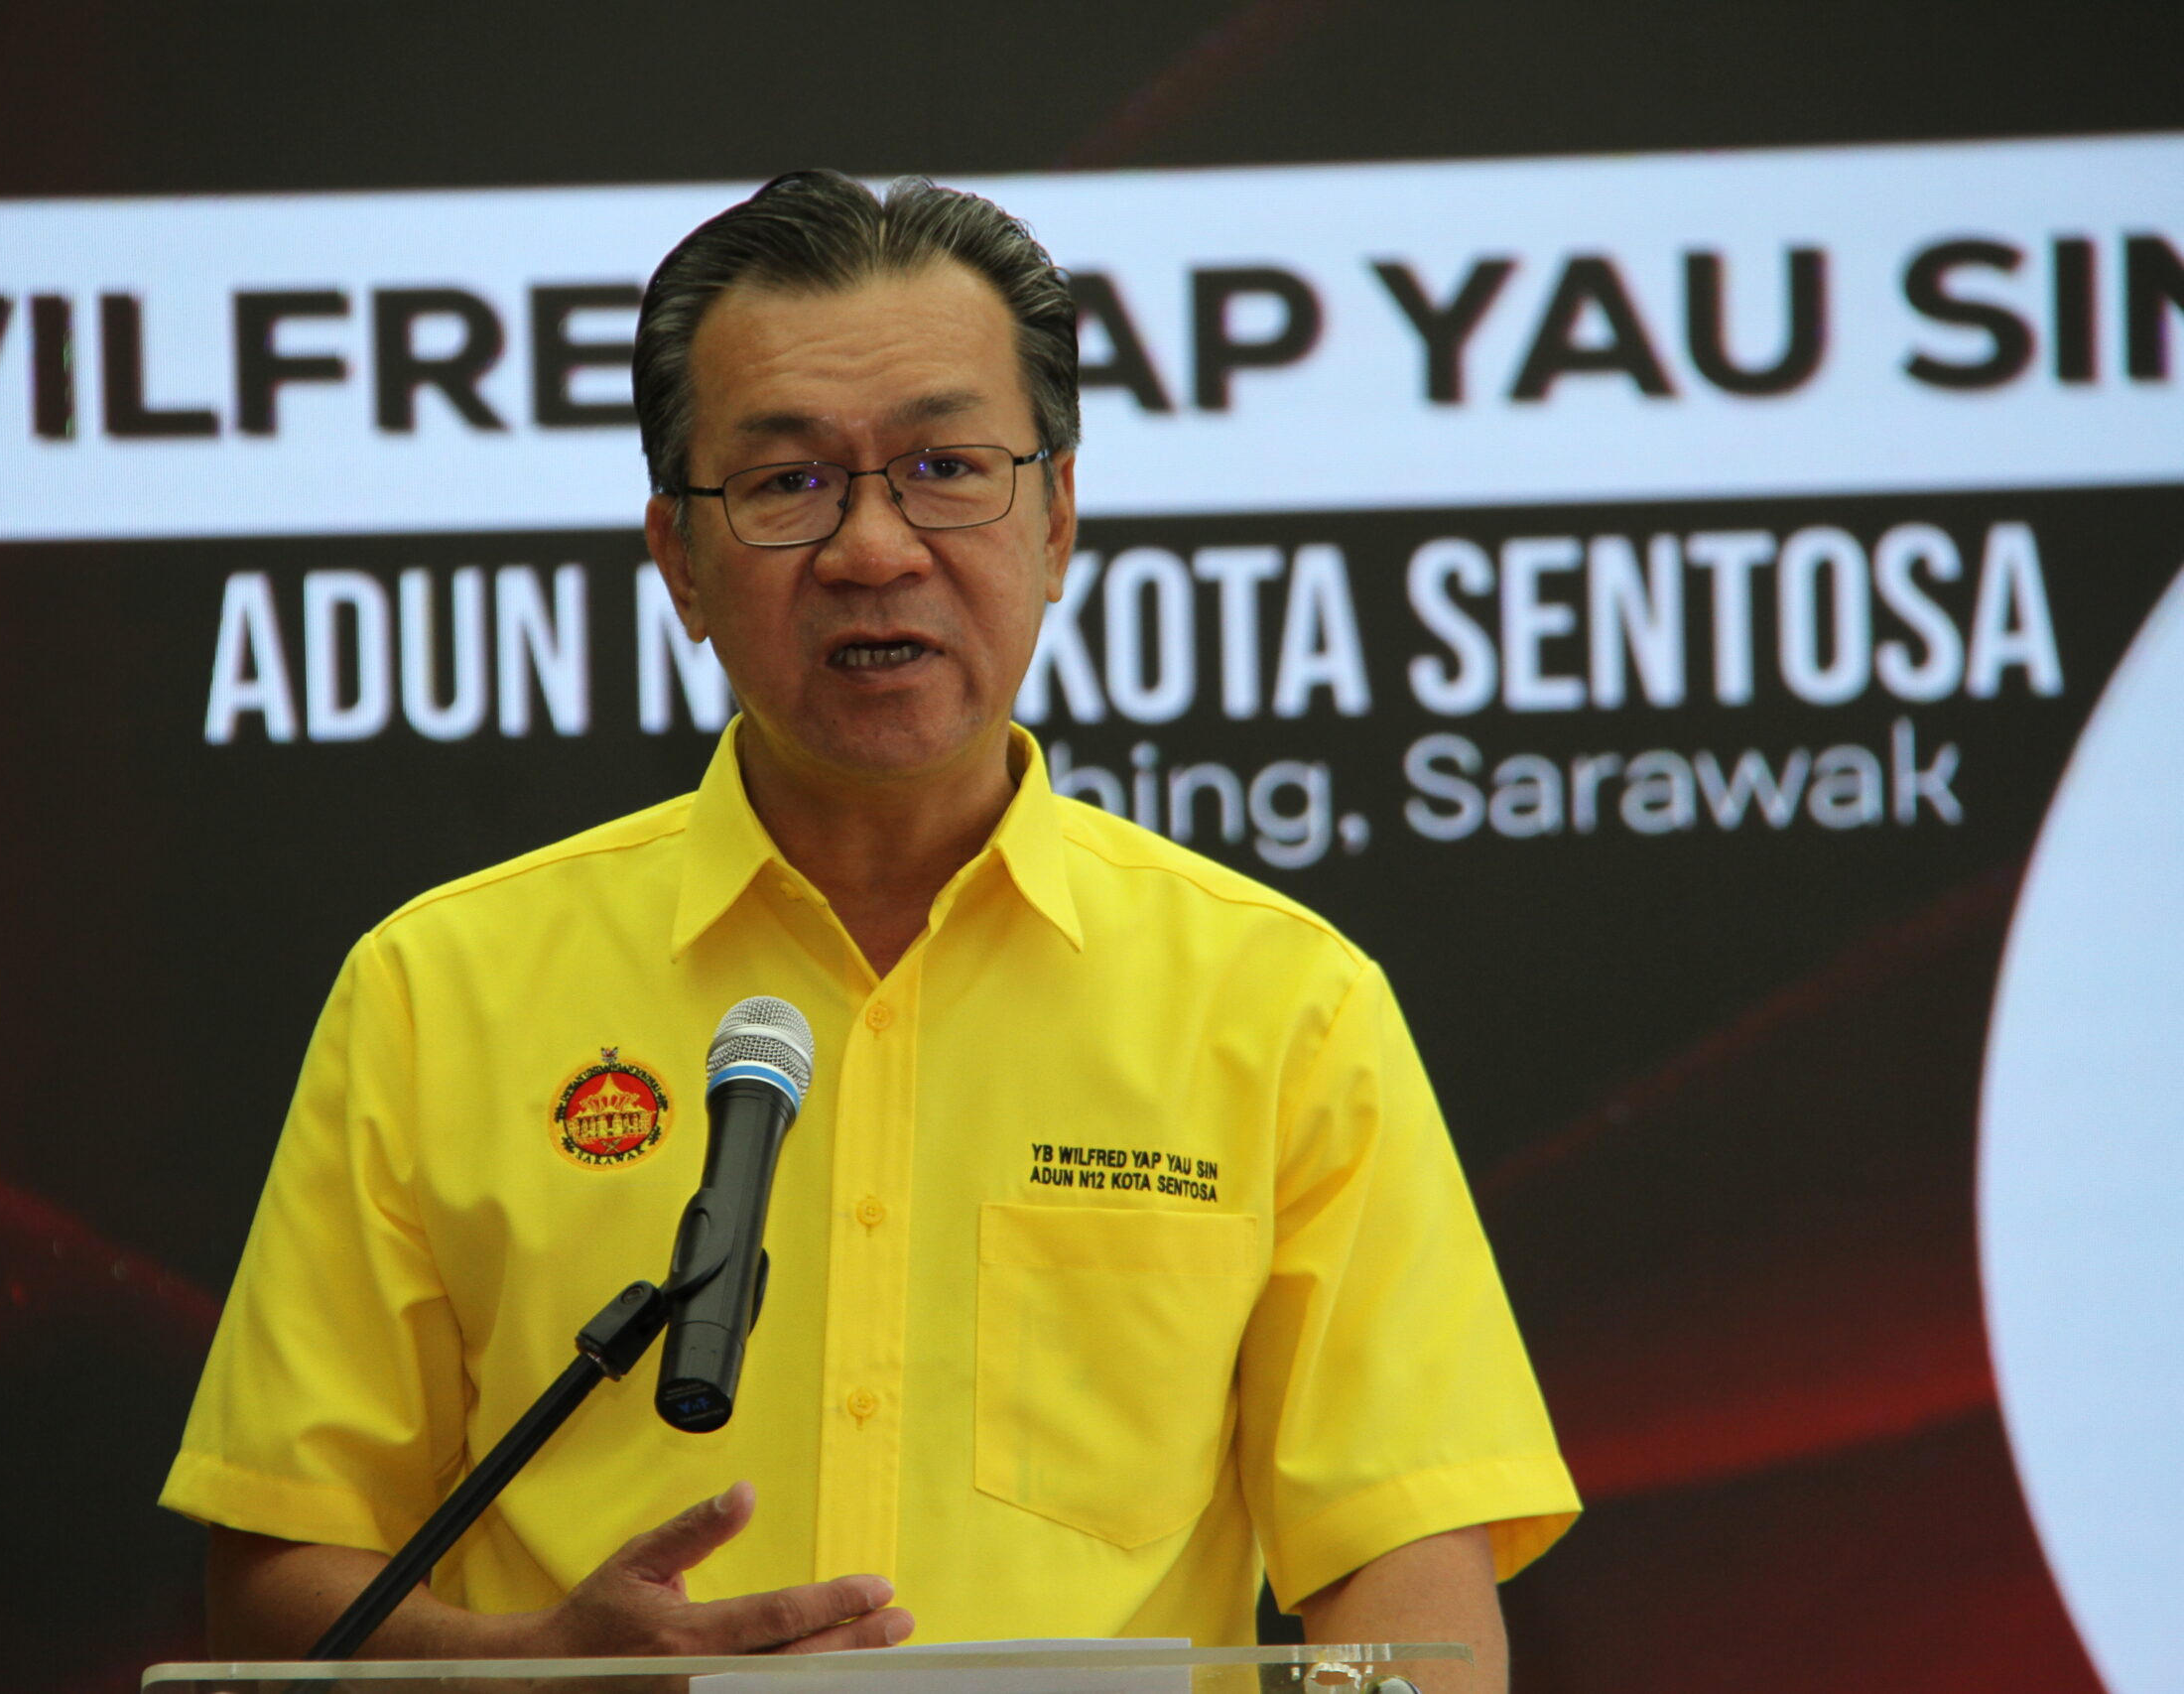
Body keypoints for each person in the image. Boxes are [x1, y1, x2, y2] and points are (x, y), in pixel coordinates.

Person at [161, 172, 1578, 1688]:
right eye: (788, 483)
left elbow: (1411, 1595)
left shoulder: (1282, 1004)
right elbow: (279, 1580)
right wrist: (534, 1673)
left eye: (946, 466)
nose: (874, 548)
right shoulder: (438, 992)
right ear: (679, 561)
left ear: (1058, 522)